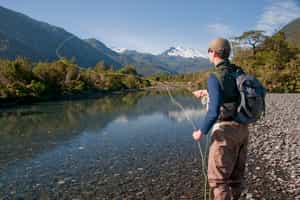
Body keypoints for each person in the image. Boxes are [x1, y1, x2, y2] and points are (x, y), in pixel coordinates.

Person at [192, 38, 249, 200]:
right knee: (236, 178)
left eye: (209, 51)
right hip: (243, 129)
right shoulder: (237, 71)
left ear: (214, 52)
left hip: (225, 132)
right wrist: (206, 93)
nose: (208, 54)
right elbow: (231, 95)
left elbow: (213, 111)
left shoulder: (214, 76)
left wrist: (201, 131)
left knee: (218, 180)